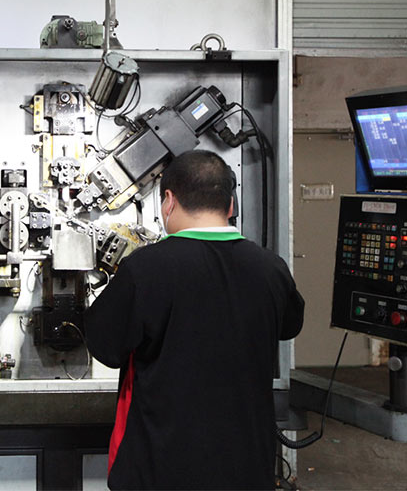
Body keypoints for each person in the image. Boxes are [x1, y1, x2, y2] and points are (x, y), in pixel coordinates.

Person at [84, 150, 304, 490]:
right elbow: (290, 326)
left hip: (160, 470)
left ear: (169, 201)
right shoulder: (271, 268)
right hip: (246, 469)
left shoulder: (145, 269)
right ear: (230, 205)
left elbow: (105, 347)